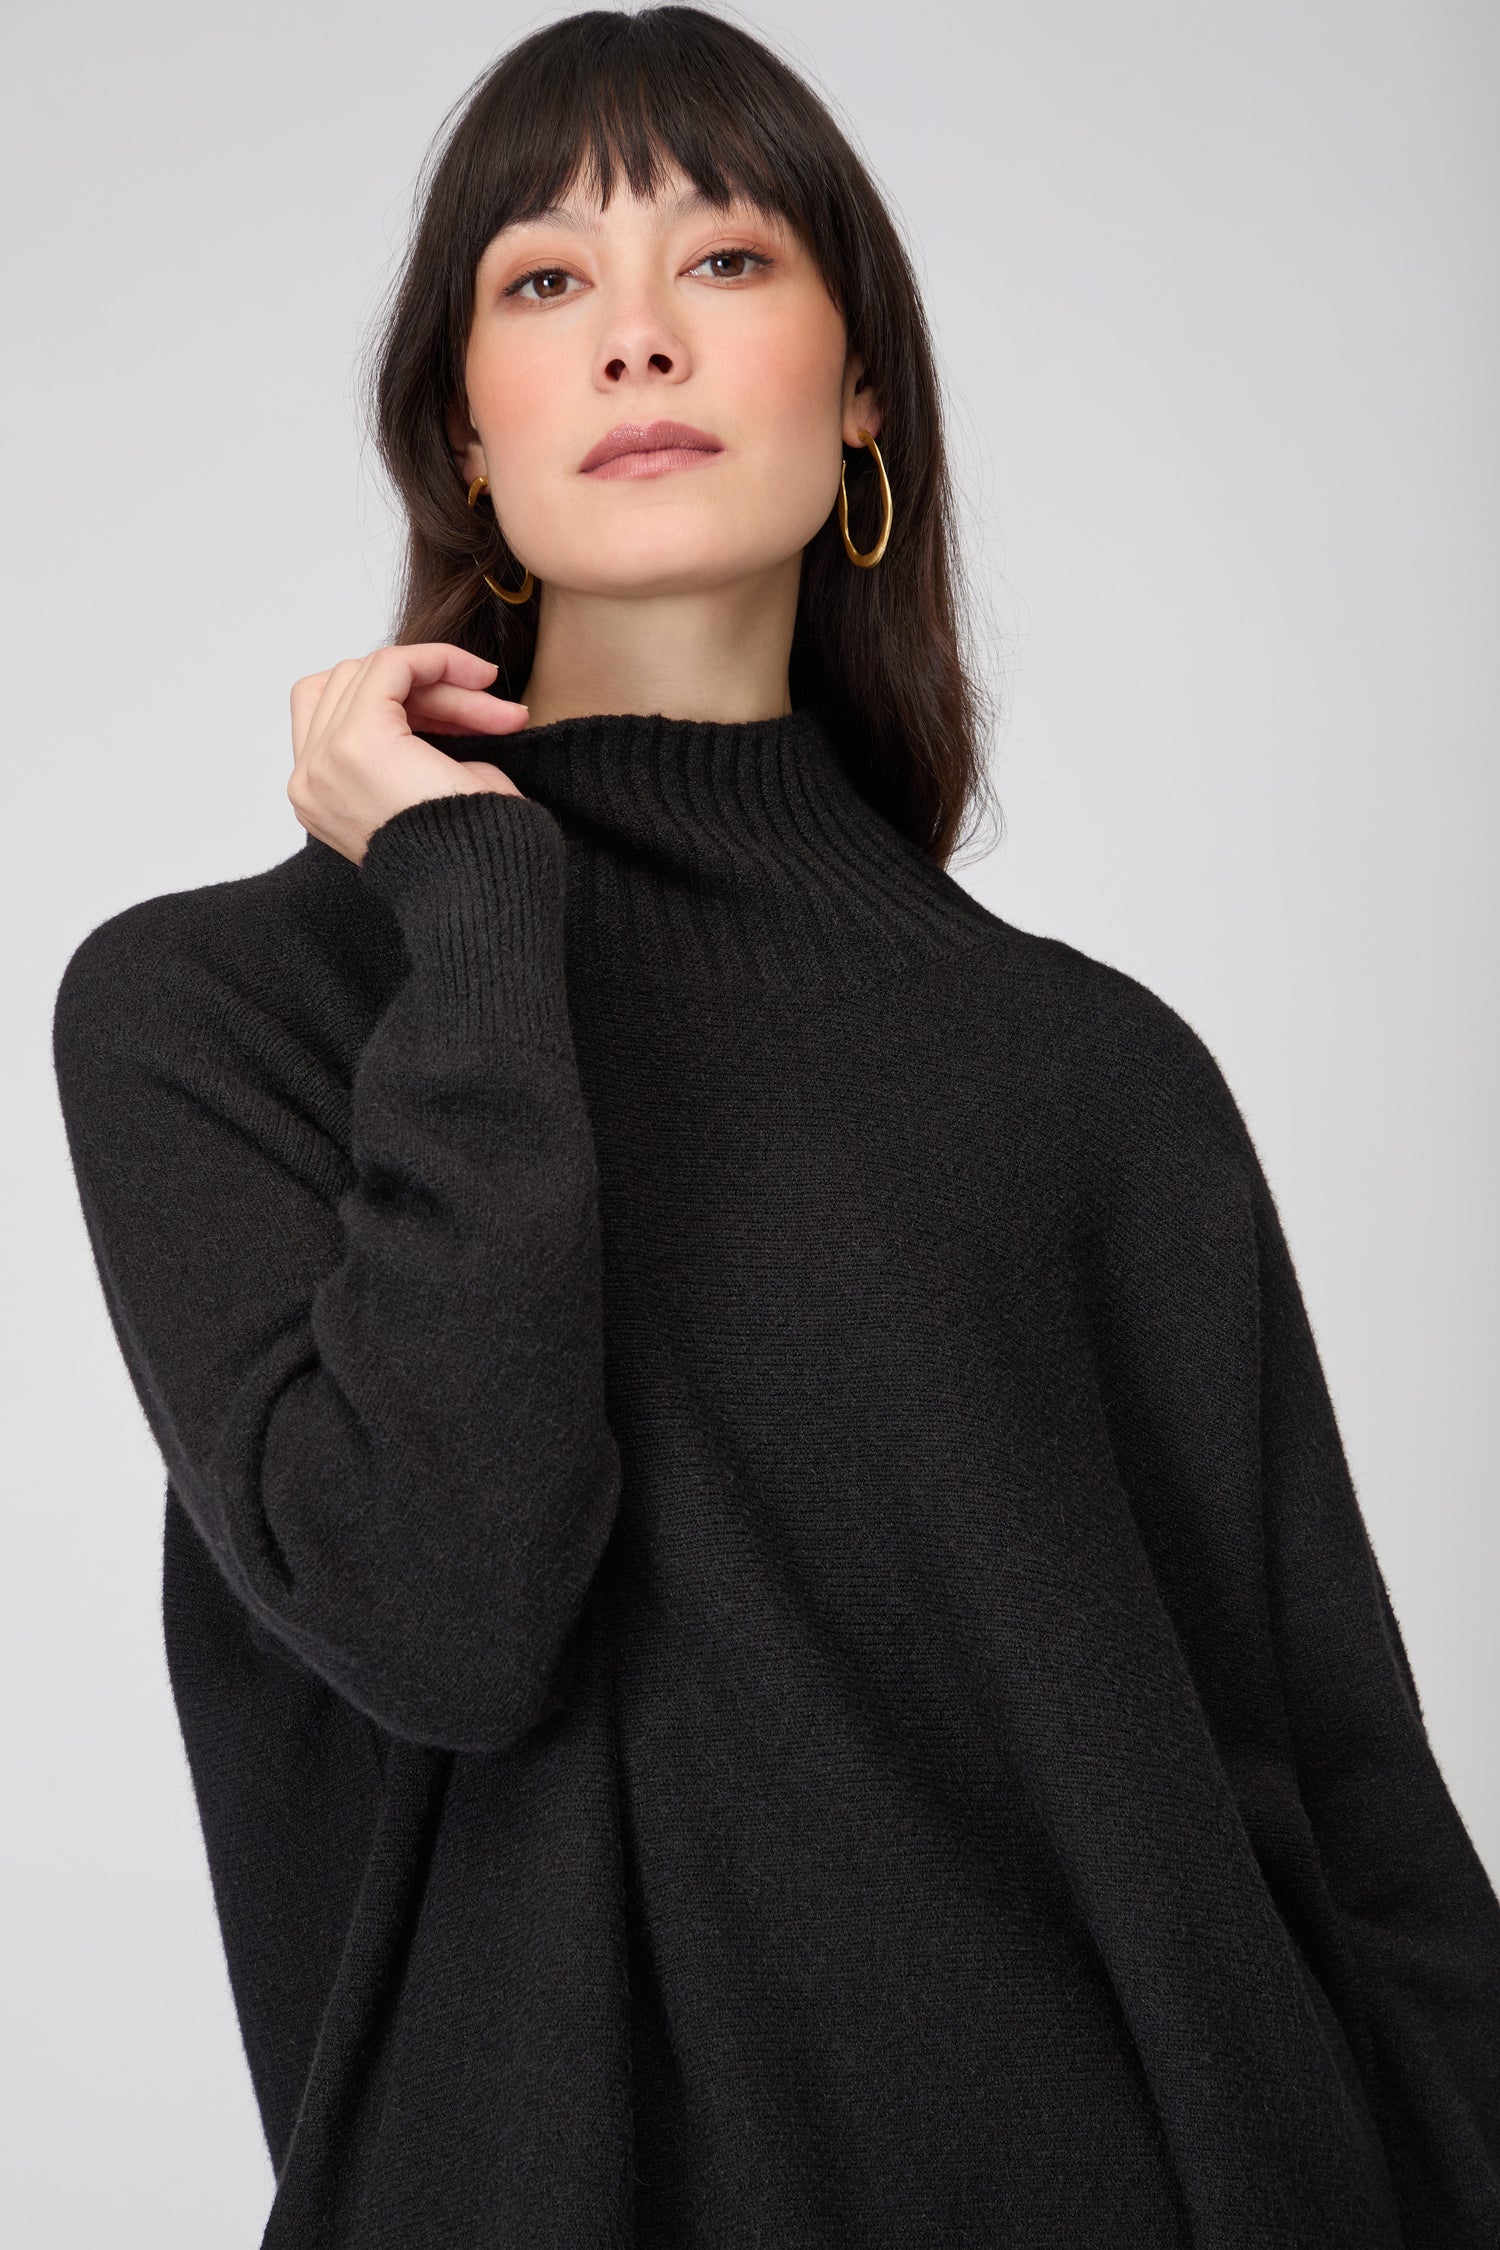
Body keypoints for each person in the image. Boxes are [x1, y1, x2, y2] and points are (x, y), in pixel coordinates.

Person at [51, 9, 1500, 2247]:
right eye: (544, 283)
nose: (636, 339)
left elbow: (1359, 1824)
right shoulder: (227, 1007)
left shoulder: (1095, 1077)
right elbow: (443, 1613)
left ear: (861, 395)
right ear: (462, 422)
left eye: (723, 263)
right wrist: (470, 902)